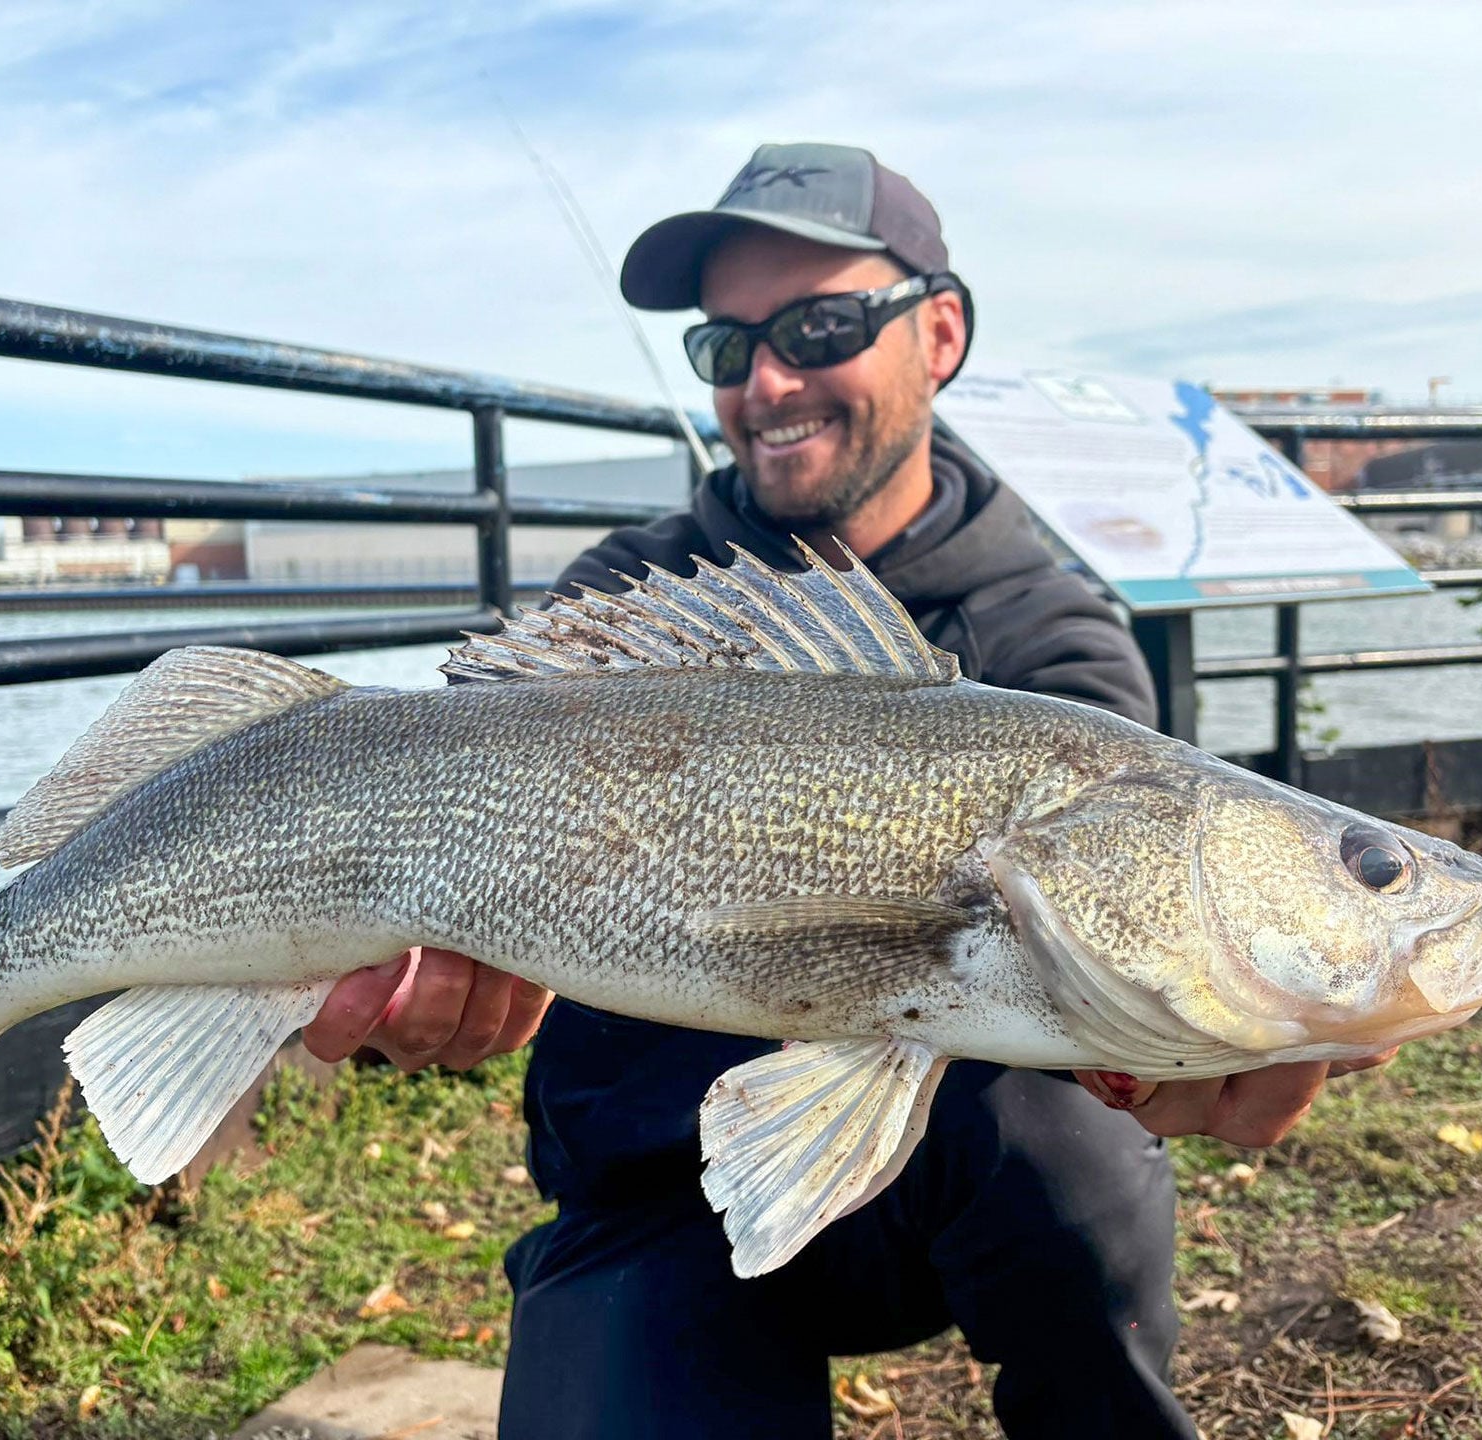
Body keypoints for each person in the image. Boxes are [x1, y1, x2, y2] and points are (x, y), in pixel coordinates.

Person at [302, 143, 1391, 1438]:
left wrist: (1169, 1035)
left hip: (929, 1192)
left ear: (938, 333)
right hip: (654, 1202)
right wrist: (394, 983)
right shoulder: (624, 597)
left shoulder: (1050, 640)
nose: (767, 381)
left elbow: (1115, 956)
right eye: (726, 347)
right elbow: (452, 833)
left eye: (821, 326)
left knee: (1078, 1149)